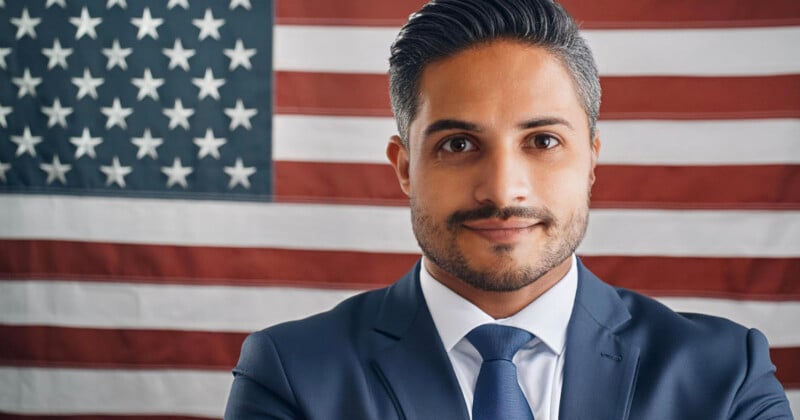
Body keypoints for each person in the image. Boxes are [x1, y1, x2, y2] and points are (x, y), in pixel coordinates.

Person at [224, 0, 793, 418]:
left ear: (591, 162)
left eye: (542, 141)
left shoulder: (727, 376)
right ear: (404, 167)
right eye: (457, 144)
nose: (502, 190)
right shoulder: (291, 372)